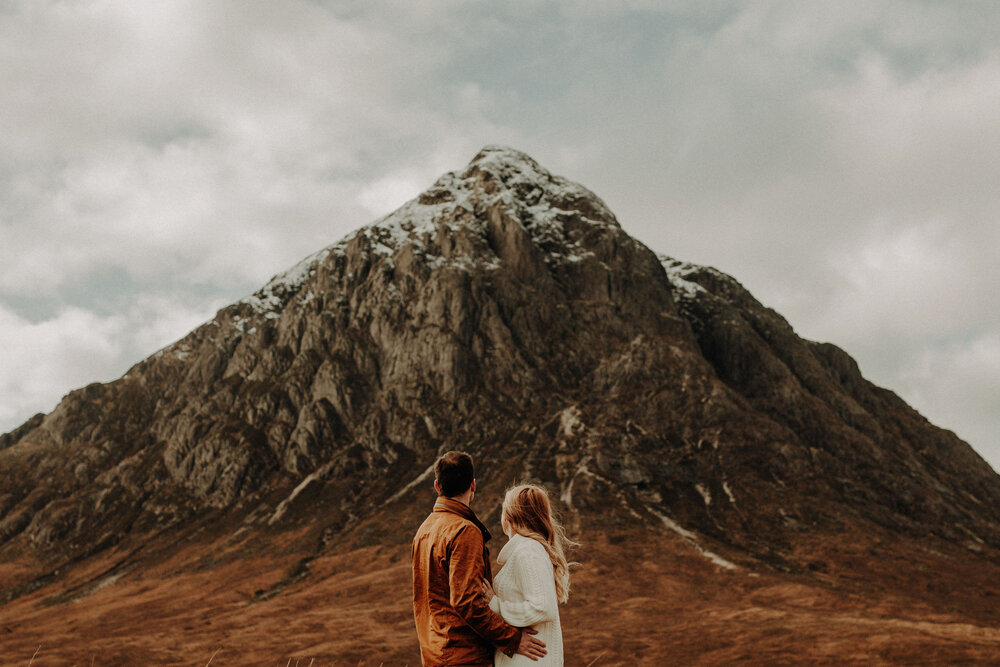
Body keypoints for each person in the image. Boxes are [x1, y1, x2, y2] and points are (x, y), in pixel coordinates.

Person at [412, 451, 548, 666]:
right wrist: (512, 639)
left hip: (433, 653)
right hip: (464, 656)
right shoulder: (464, 531)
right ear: (473, 485)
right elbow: (468, 602)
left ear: (437, 486)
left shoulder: (424, 530)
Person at [482, 484, 575, 666]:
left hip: (529, 661)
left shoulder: (528, 551)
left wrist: (496, 605)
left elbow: (542, 607)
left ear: (509, 515)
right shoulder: (527, 551)